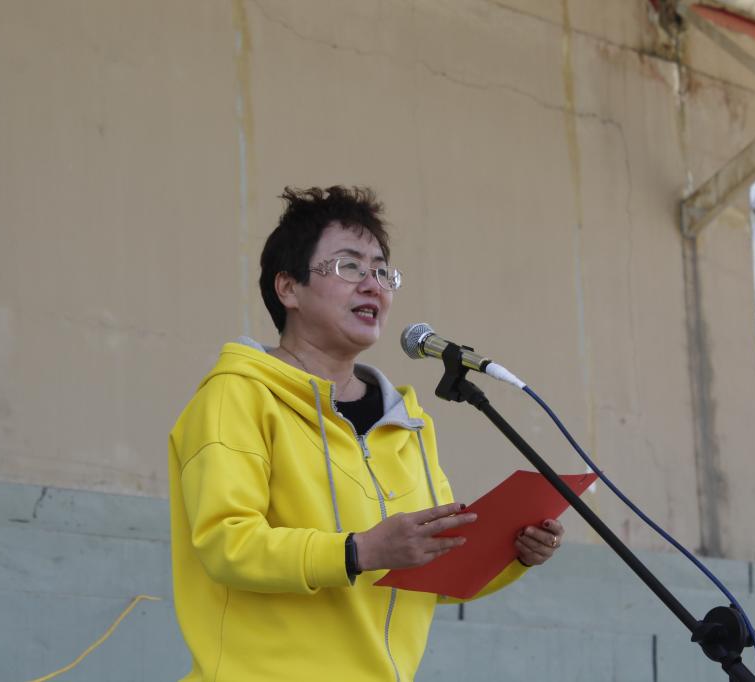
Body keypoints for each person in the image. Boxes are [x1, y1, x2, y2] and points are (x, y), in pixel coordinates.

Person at [168, 186, 564, 682]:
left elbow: (432, 574)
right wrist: (359, 551)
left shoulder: (407, 423)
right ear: (288, 288)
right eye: (349, 266)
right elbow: (227, 544)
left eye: (382, 272)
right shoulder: (237, 395)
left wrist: (515, 553)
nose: (373, 285)